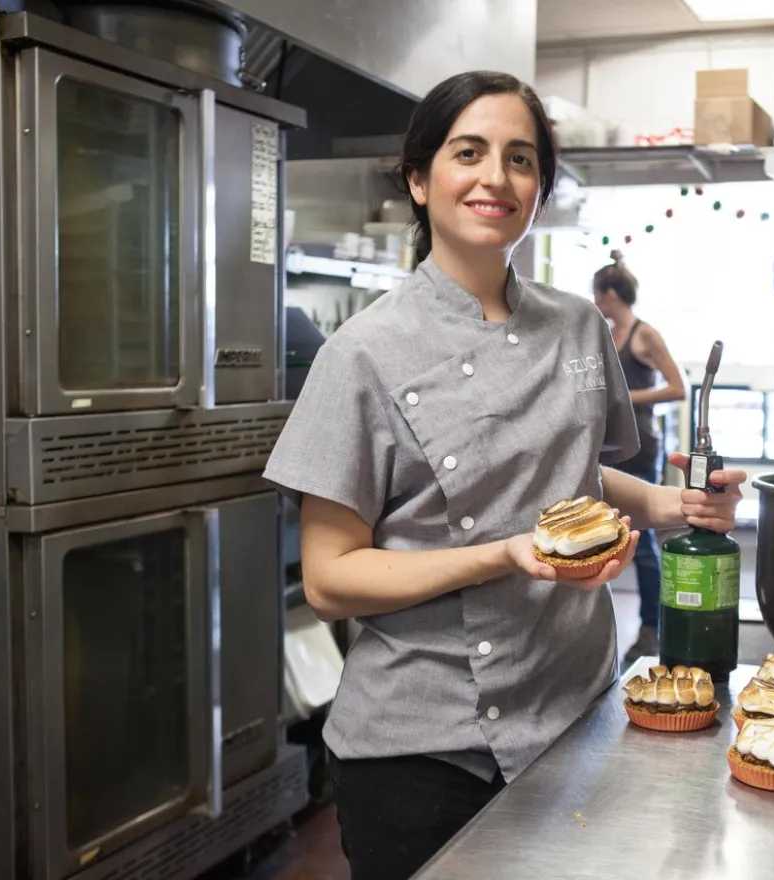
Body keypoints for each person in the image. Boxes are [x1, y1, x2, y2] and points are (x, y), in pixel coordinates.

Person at [263, 70, 746, 880]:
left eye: (521, 159)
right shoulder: (363, 353)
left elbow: (569, 477)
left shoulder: (579, 327)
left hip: (577, 714)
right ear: (419, 179)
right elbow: (330, 580)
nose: (496, 177)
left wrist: (674, 504)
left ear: (541, 191)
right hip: (424, 752)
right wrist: (506, 553)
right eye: (469, 152)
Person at [591, 252, 690, 666]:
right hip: (604, 444)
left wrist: (627, 398)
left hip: (639, 446)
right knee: (599, 533)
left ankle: (652, 627)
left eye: (597, 294)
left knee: (642, 539)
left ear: (611, 294)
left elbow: (677, 387)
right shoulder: (607, 334)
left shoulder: (644, 335)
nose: (595, 302)